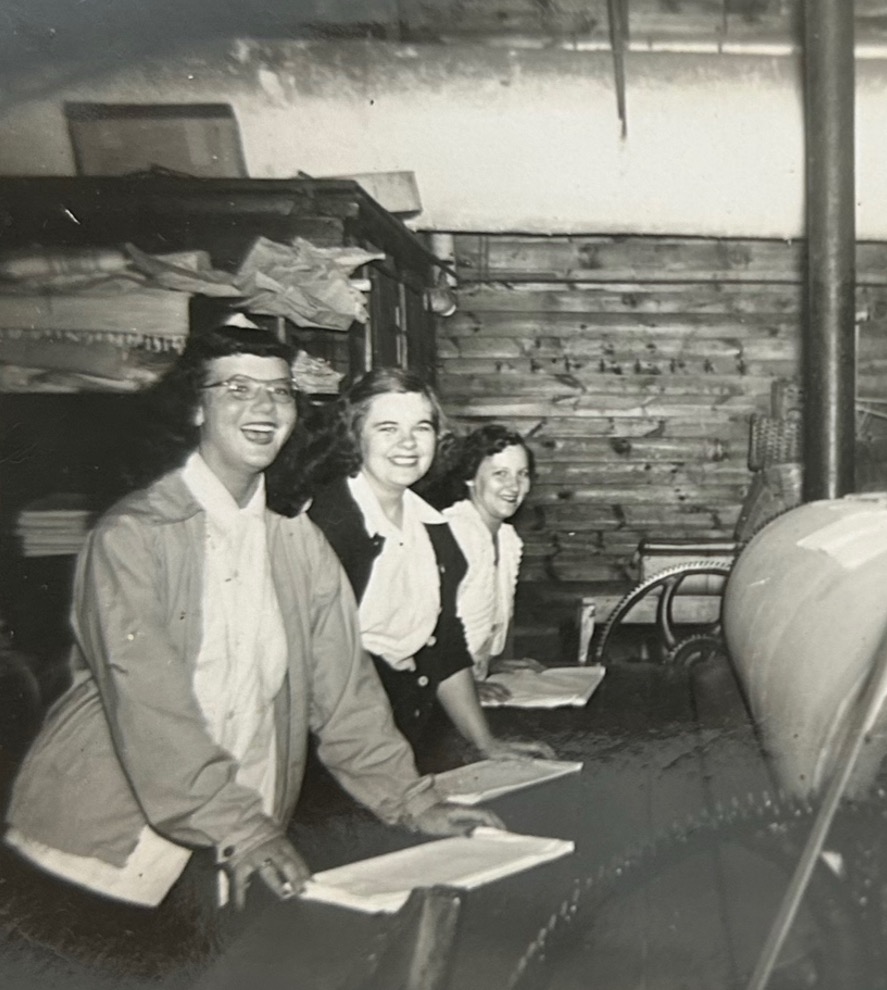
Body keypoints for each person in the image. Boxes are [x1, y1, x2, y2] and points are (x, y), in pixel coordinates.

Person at [1, 328, 501, 954]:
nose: (263, 408)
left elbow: (344, 692)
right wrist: (245, 830)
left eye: (280, 392)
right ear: (194, 406)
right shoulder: (134, 536)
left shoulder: (295, 539)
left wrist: (409, 800)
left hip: (224, 843)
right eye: (237, 388)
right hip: (91, 854)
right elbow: (152, 709)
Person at [301, 368, 550, 762]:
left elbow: (443, 646)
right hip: (332, 750)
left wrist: (486, 744)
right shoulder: (325, 524)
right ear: (355, 433)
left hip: (403, 734)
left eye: (421, 427)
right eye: (387, 428)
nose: (408, 443)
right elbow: (312, 670)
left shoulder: (434, 529)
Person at [428, 424, 546, 696]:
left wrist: (494, 663)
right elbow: (424, 638)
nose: (514, 486)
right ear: (470, 477)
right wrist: (466, 687)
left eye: (522, 474)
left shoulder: (507, 539)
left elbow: (476, 629)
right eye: (500, 474)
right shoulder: (455, 532)